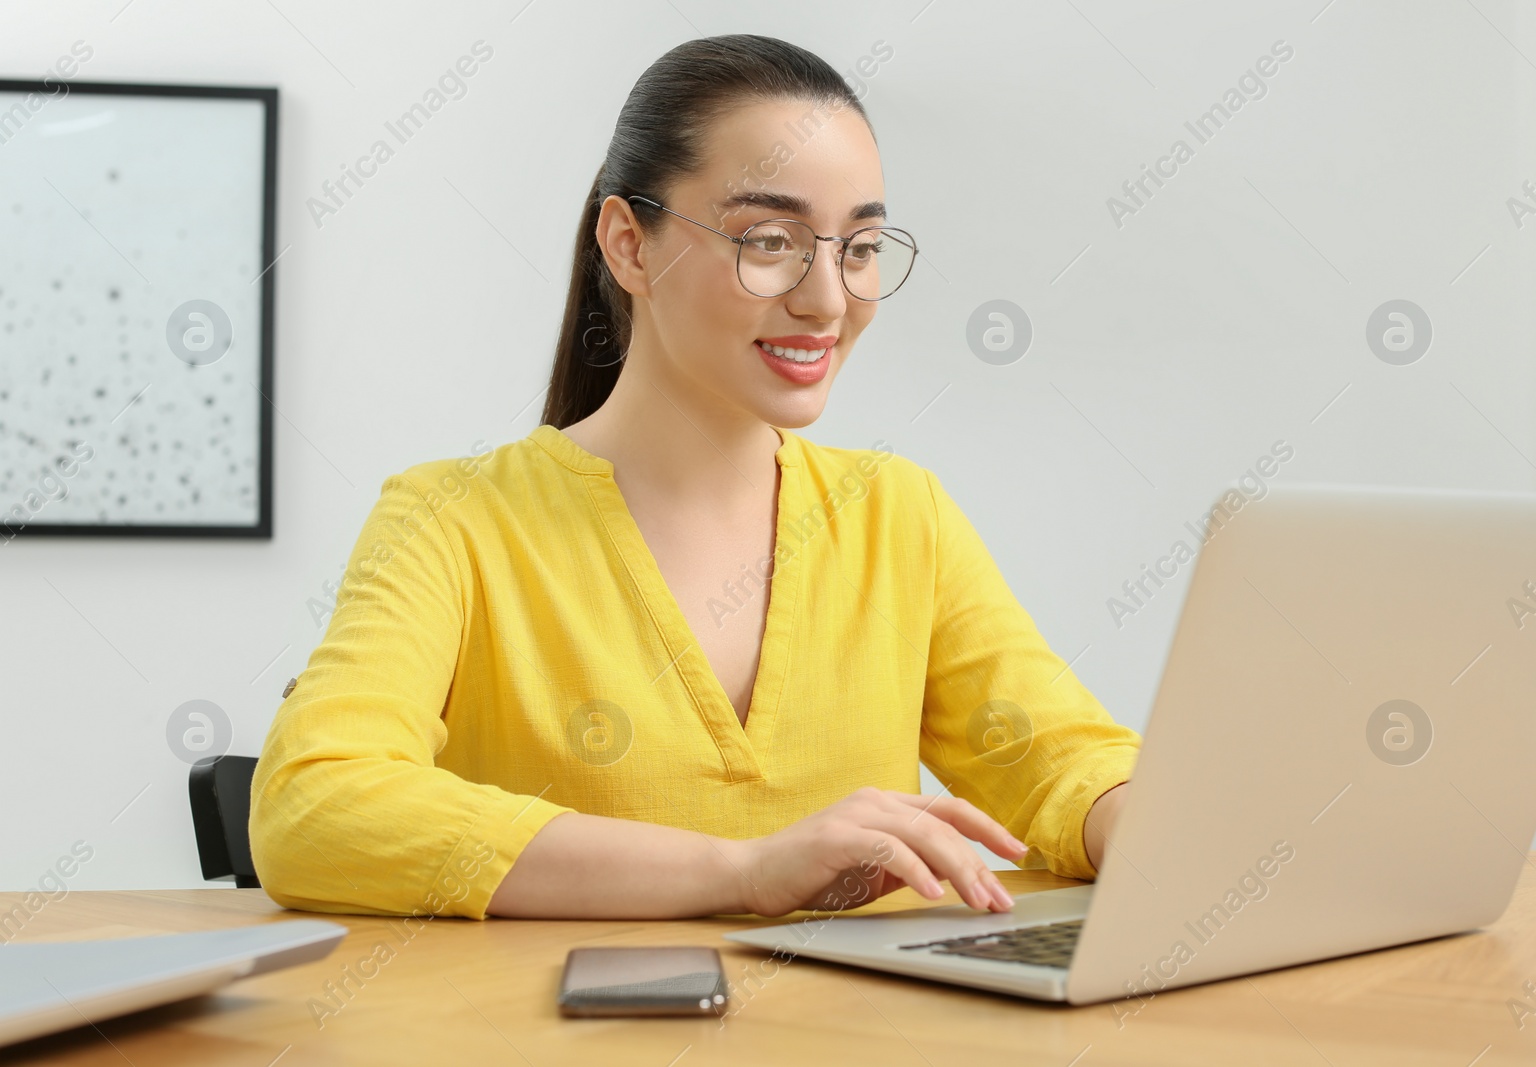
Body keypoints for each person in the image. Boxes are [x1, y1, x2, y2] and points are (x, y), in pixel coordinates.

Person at [249, 33, 1141, 924]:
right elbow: (316, 804)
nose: (827, 299)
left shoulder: (900, 515)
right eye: (768, 240)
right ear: (630, 245)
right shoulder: (453, 520)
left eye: (859, 247)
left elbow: (1065, 764)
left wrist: (1157, 820)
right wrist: (742, 872)